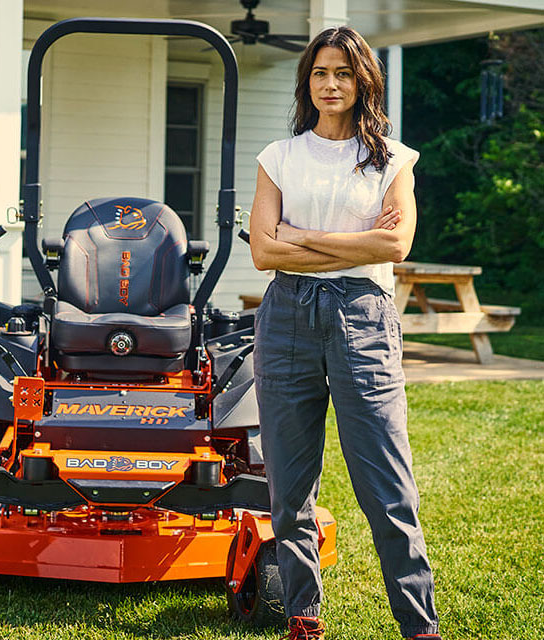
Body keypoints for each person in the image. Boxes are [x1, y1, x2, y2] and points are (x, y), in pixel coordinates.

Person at [248, 26, 441, 640]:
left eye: (344, 74)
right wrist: (347, 246)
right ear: (307, 82)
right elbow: (260, 252)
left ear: (364, 82)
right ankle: (303, 616)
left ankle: (418, 625)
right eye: (320, 74)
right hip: (286, 323)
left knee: (387, 485)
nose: (331, 85)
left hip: (364, 319)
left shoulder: (393, 158)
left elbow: (395, 244)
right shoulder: (278, 157)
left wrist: (298, 236)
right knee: (289, 486)